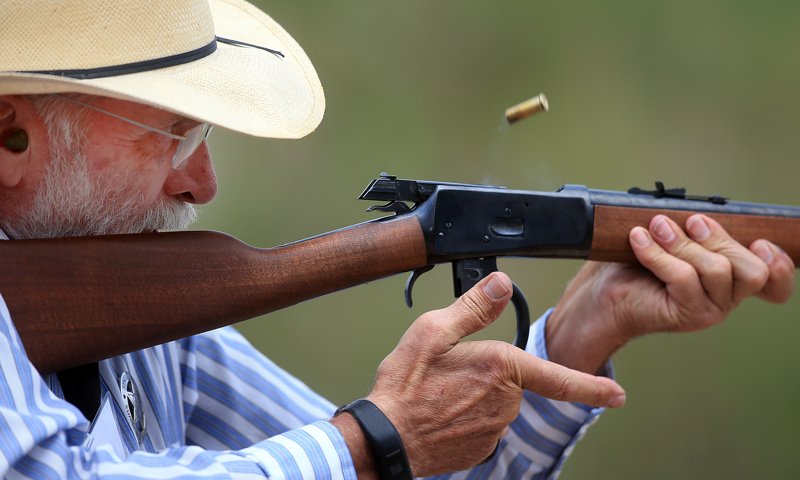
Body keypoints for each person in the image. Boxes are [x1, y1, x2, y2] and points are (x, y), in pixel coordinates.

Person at [0, 1, 793, 479]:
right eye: (172, 137)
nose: (202, 181)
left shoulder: (133, 314)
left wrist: (584, 329)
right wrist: (366, 439)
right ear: (11, 136)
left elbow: (406, 463)